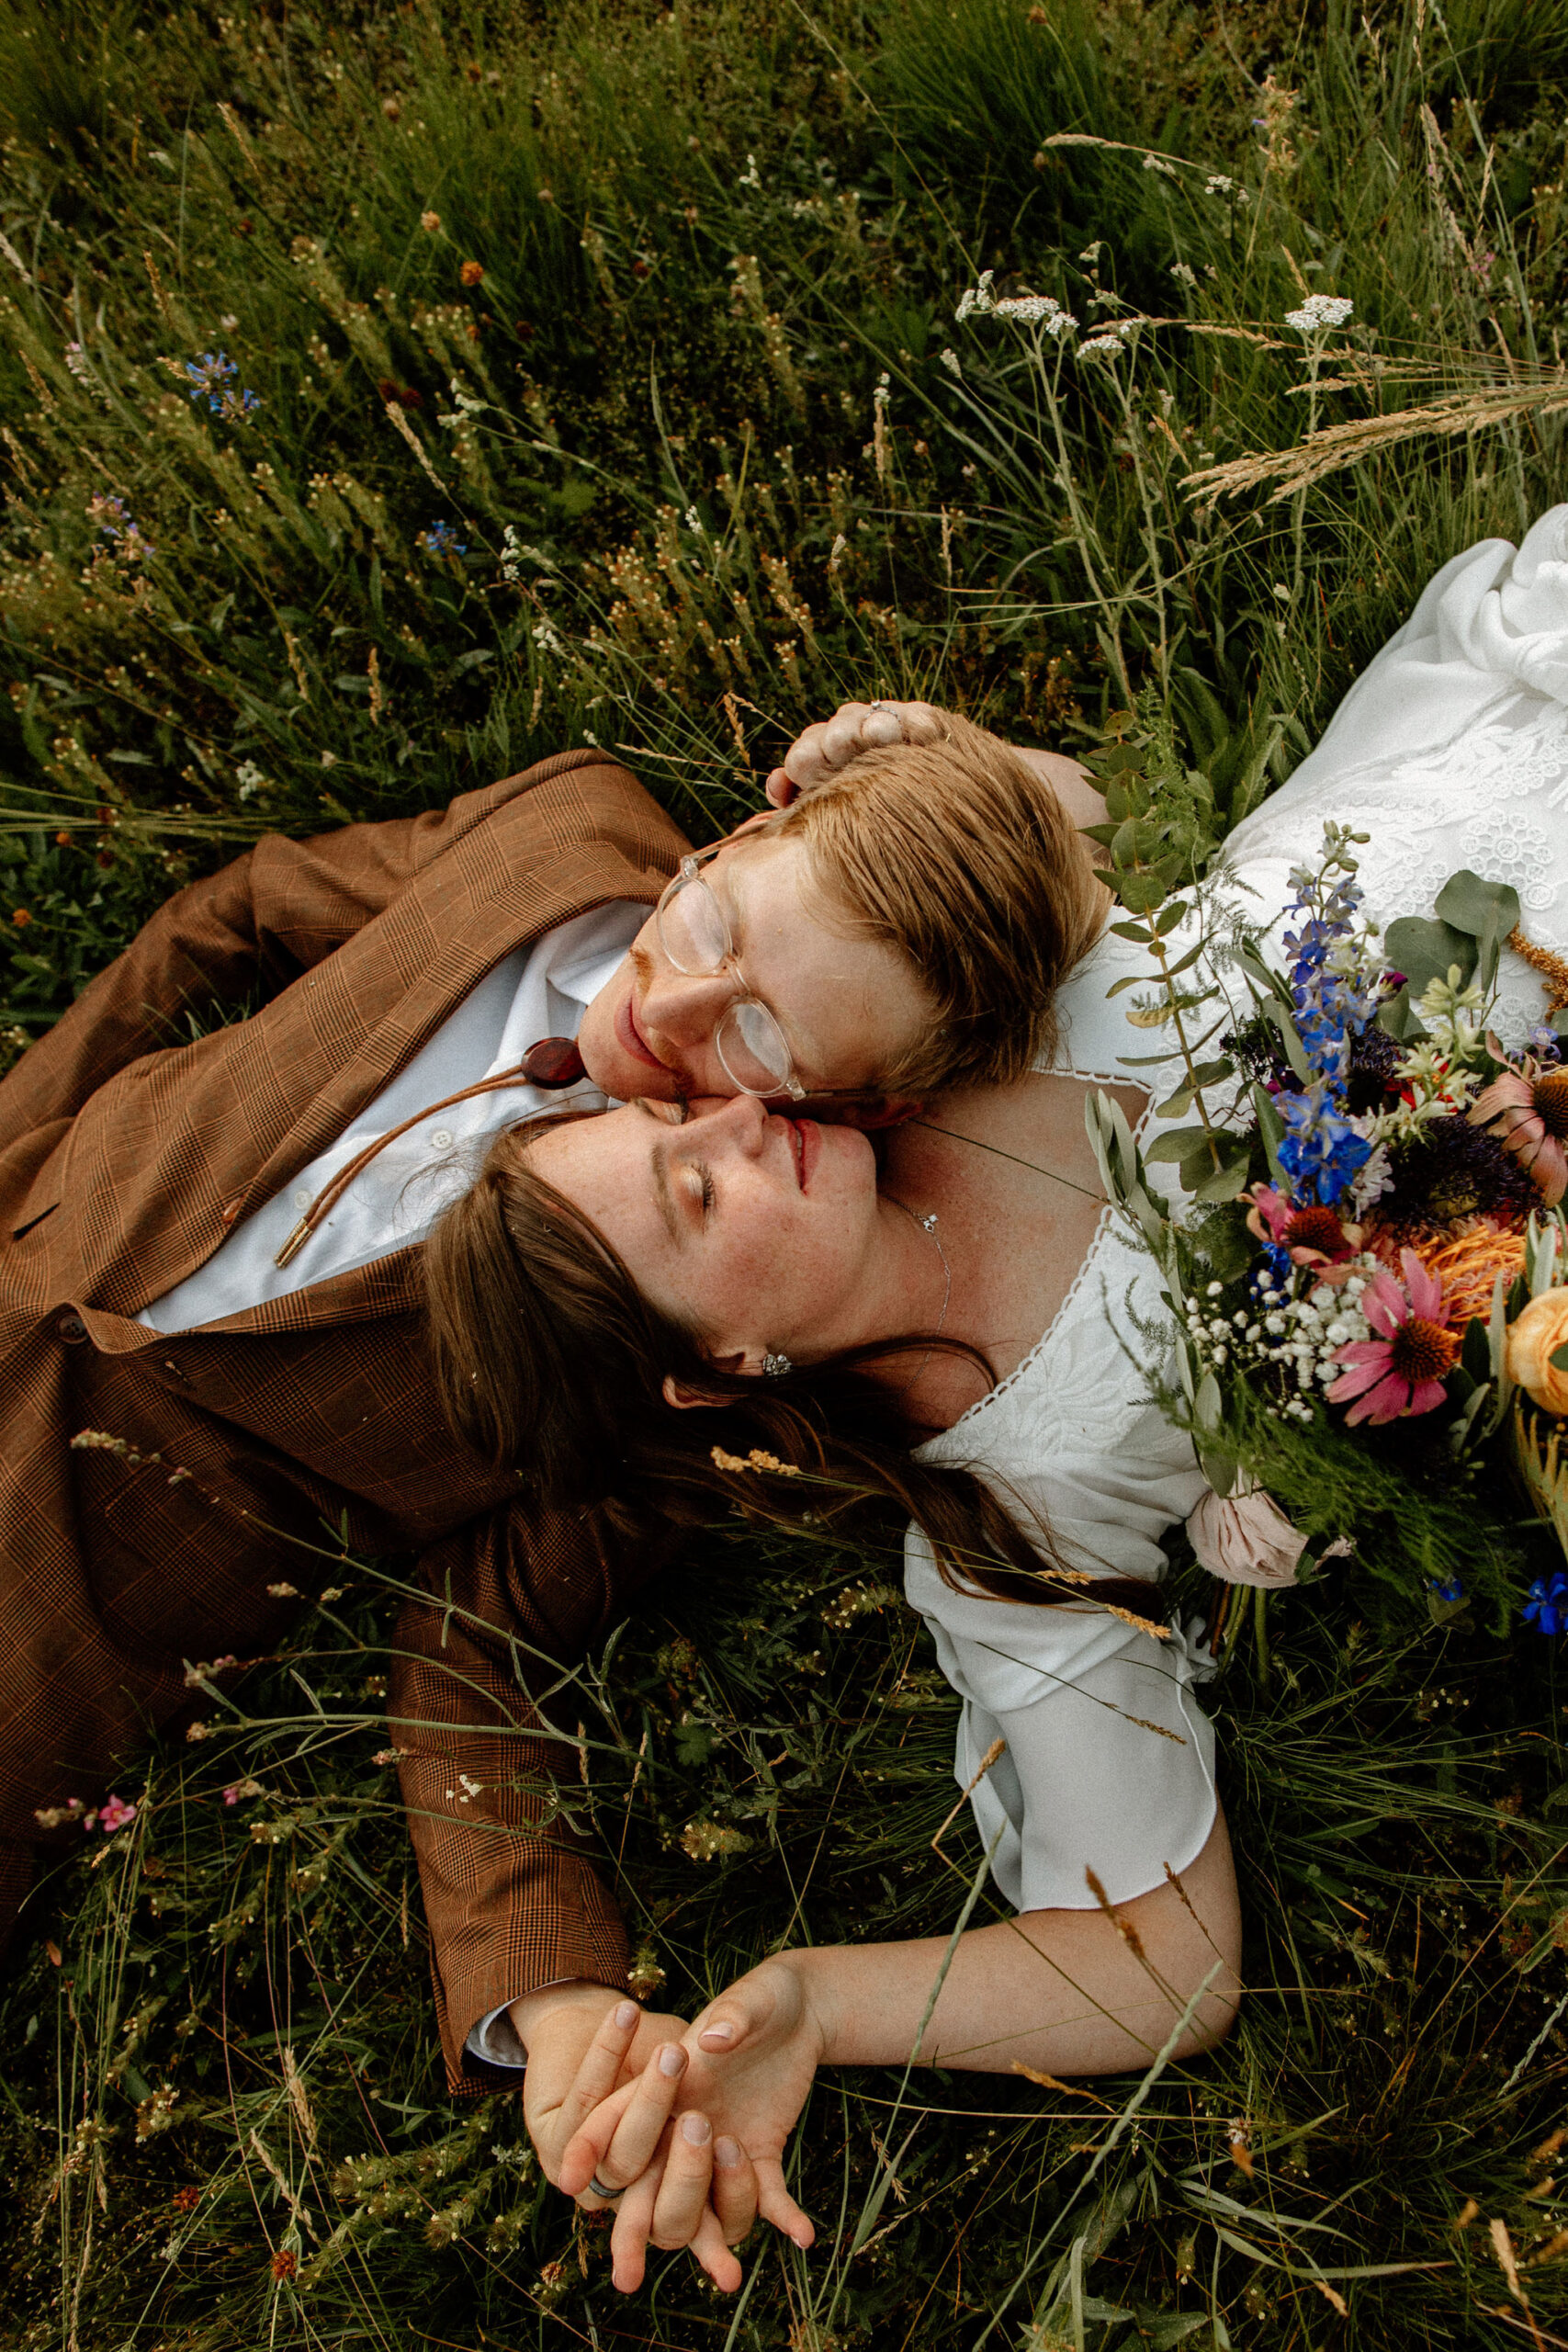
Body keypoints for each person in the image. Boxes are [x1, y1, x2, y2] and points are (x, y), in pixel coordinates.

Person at [419, 502, 1568, 2293]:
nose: (734, 1123)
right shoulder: (1004, 1523)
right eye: (692, 1197)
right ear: (713, 1364)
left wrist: (919, 766)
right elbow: (1156, 1966)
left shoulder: (874, 1061)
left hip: (1481, 749)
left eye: (676, 1120)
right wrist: (810, 1999)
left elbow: (1050, 831)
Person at [0, 709, 1099, 2156]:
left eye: (764, 1036)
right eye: (709, 919)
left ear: (858, 1105)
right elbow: (247, 907)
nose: (678, 1010)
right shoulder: (565, 835)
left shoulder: (672, 1352)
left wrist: (558, 1994)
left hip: (64, 1577)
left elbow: (476, 1650)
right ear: (742, 833)